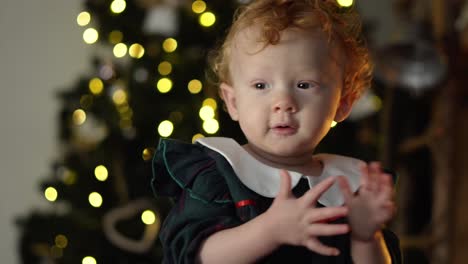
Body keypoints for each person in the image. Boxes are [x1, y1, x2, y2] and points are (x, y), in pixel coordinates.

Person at [151, 0, 401, 263]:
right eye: (261, 85)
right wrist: (269, 231)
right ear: (233, 102)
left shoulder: (349, 189)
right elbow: (194, 255)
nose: (283, 102)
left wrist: (366, 237)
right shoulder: (221, 175)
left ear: (343, 103)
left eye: (304, 84)